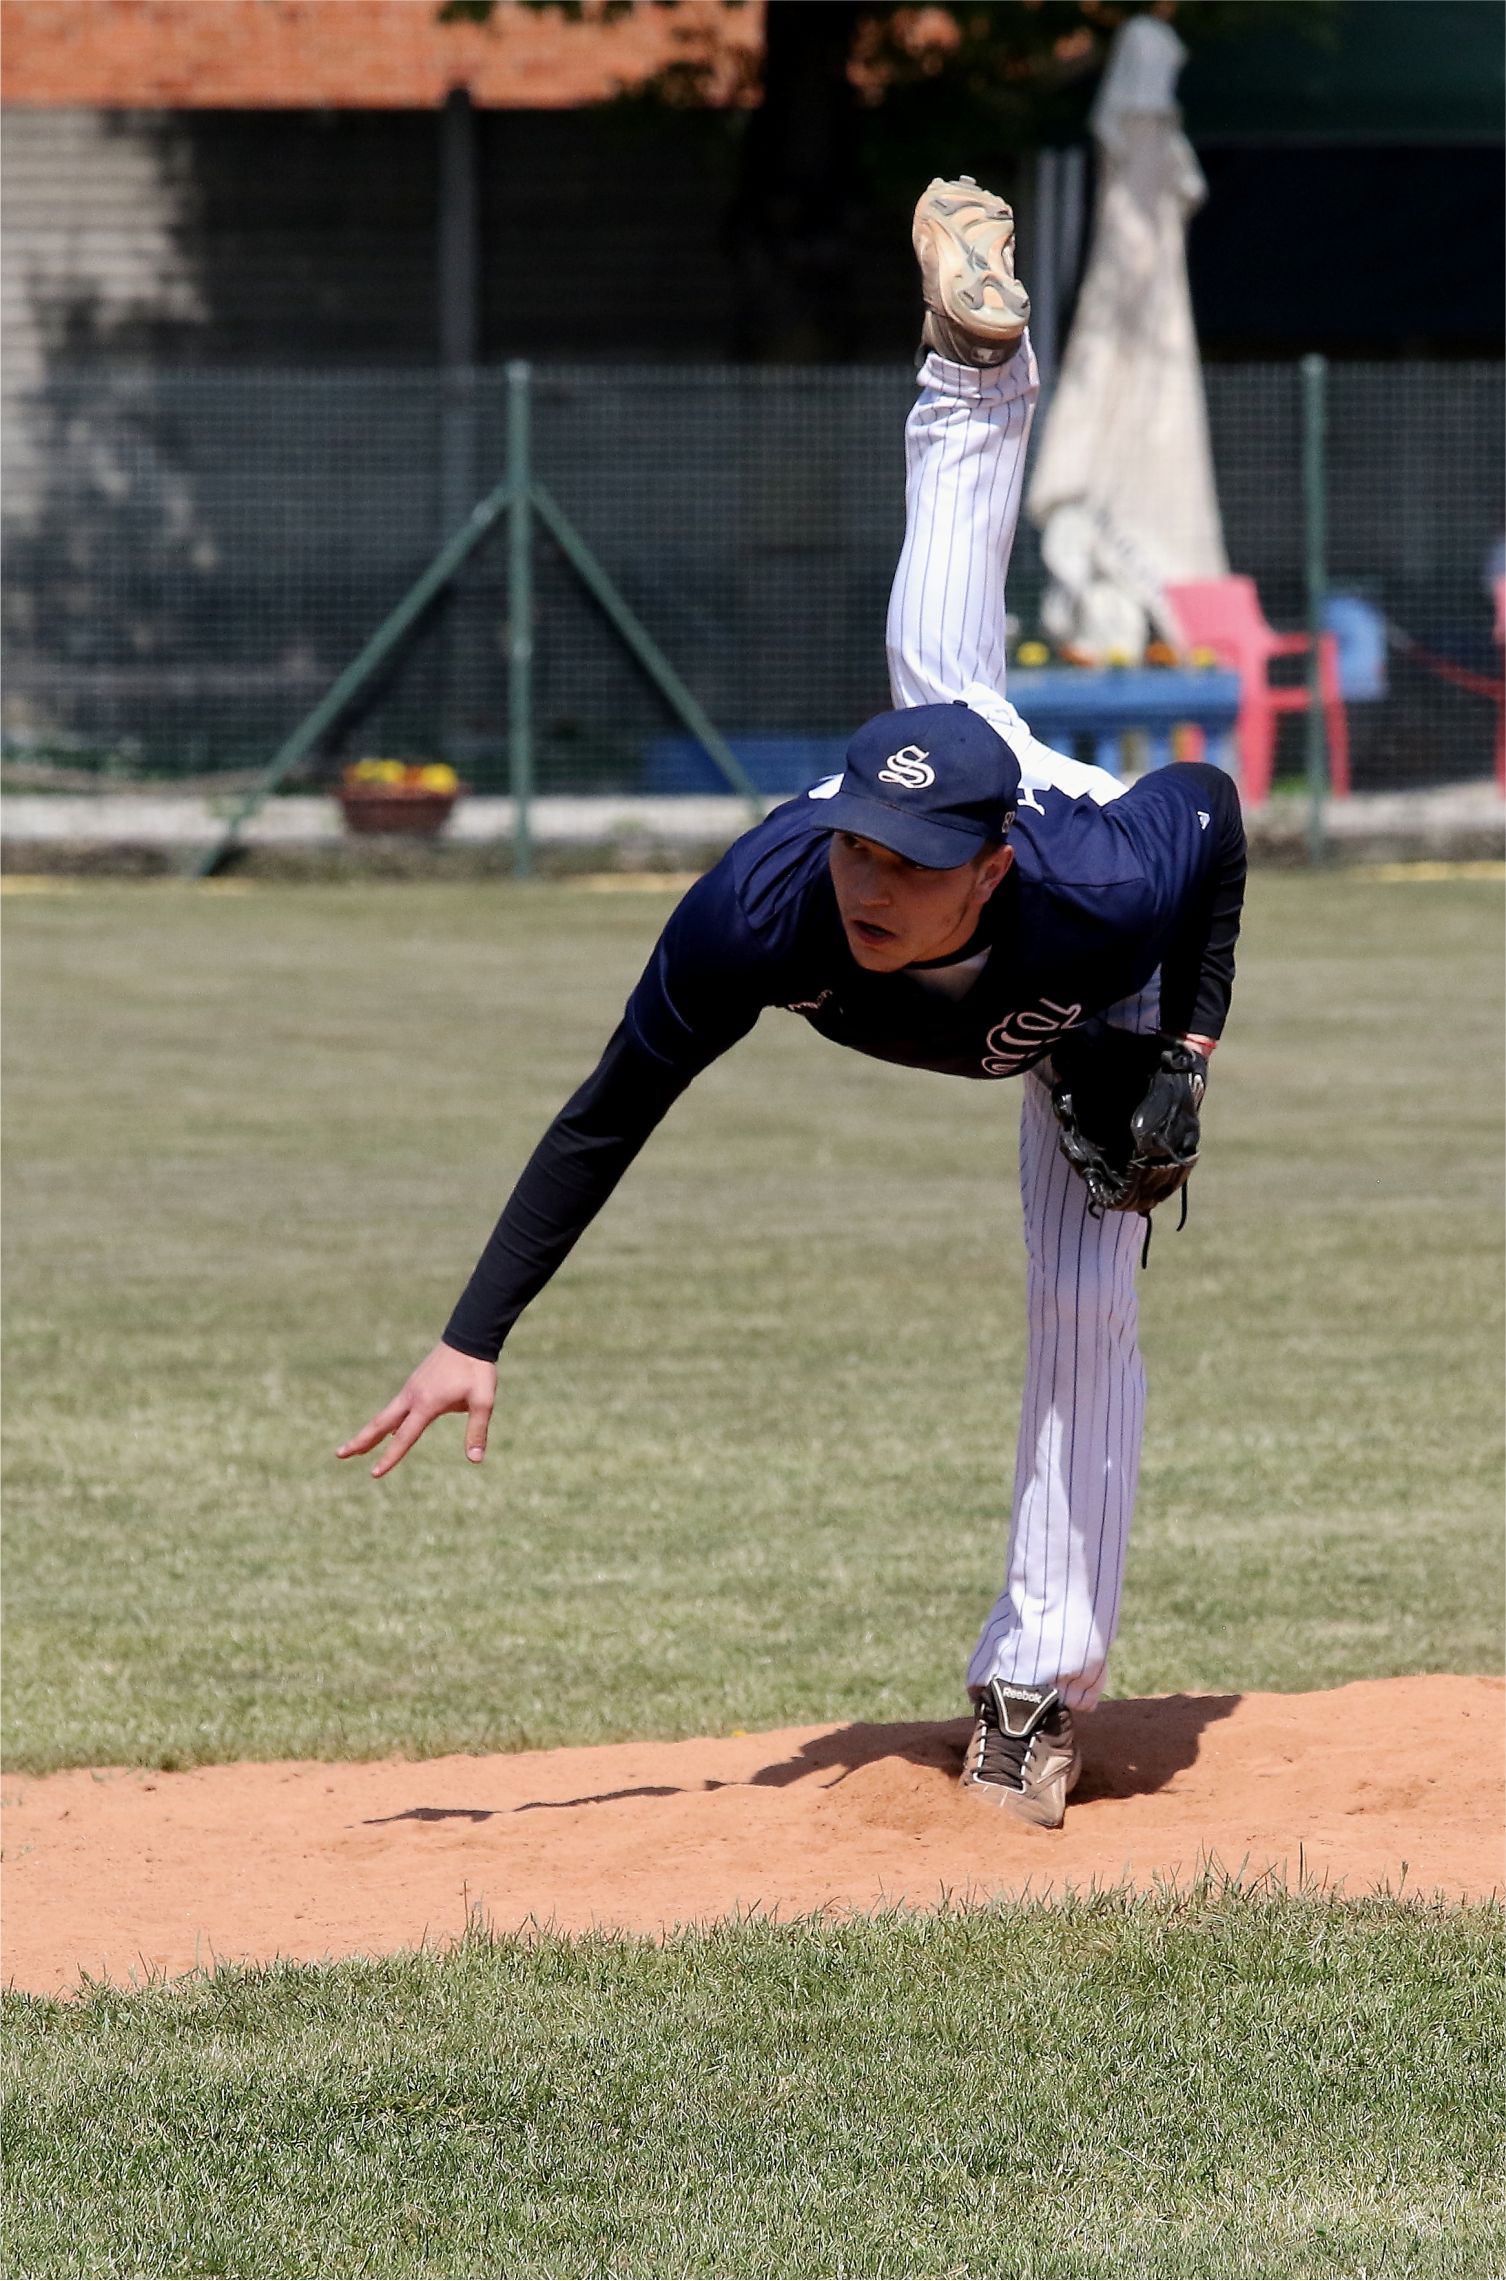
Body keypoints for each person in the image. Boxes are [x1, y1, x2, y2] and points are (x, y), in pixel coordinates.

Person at [338, 178, 1246, 1828]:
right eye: (855, 850)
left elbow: (1211, 813)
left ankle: (1034, 1686)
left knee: (1080, 1298)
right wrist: (473, 1332)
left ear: (979, 876)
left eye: (904, 867)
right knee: (931, 662)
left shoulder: (1095, 886)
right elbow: (609, 1105)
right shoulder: (763, 907)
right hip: (968, 763)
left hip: (1080, 937)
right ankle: (972, 372)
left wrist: (1180, 1051)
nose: (865, 884)